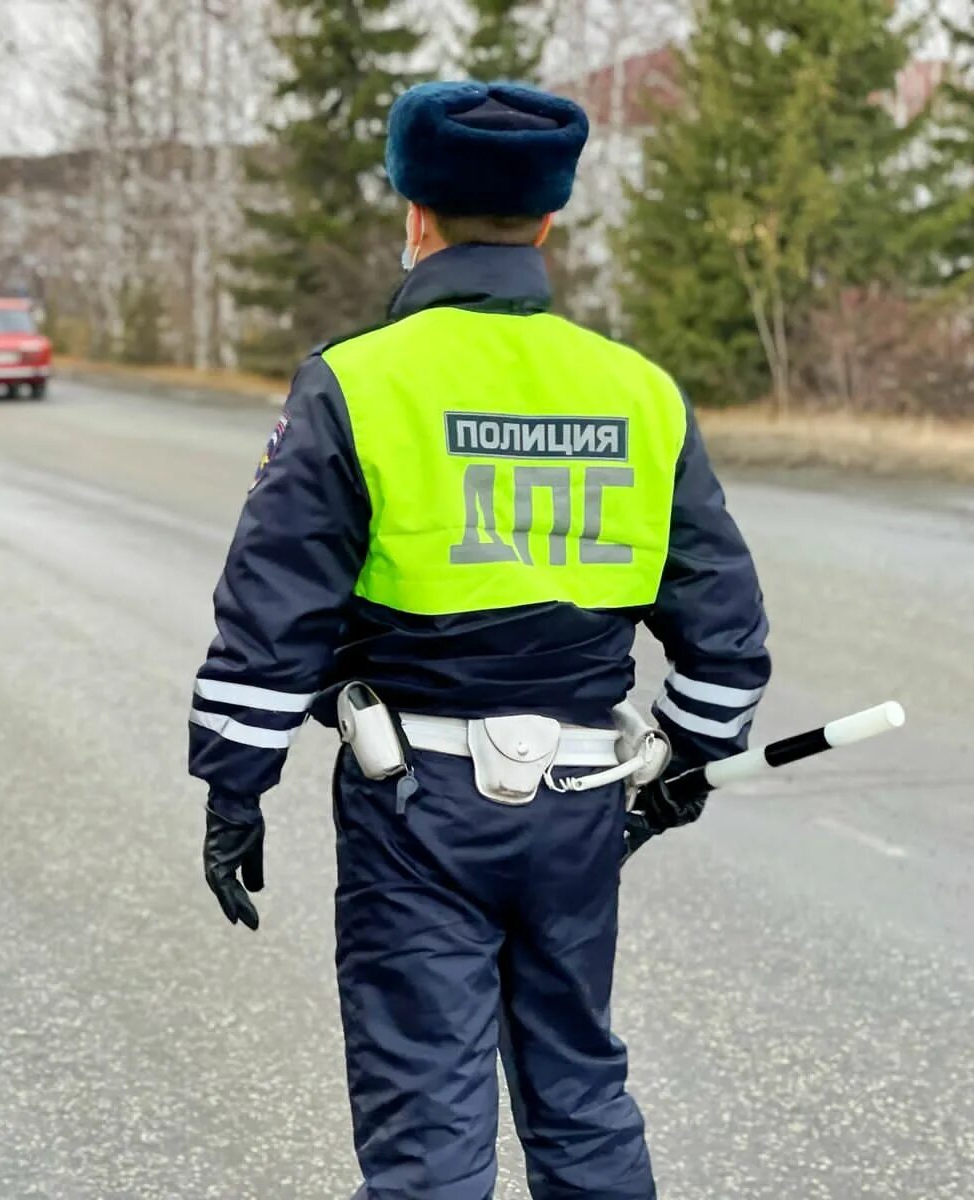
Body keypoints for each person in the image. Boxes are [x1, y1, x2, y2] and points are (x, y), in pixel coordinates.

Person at [188, 81, 770, 1200]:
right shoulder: (640, 393)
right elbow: (723, 628)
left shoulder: (358, 382)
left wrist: (233, 789)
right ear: (549, 222)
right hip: (579, 805)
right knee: (580, 1098)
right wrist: (685, 764)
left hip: (417, 809)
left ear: (414, 213)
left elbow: (273, 609)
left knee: (427, 1129)